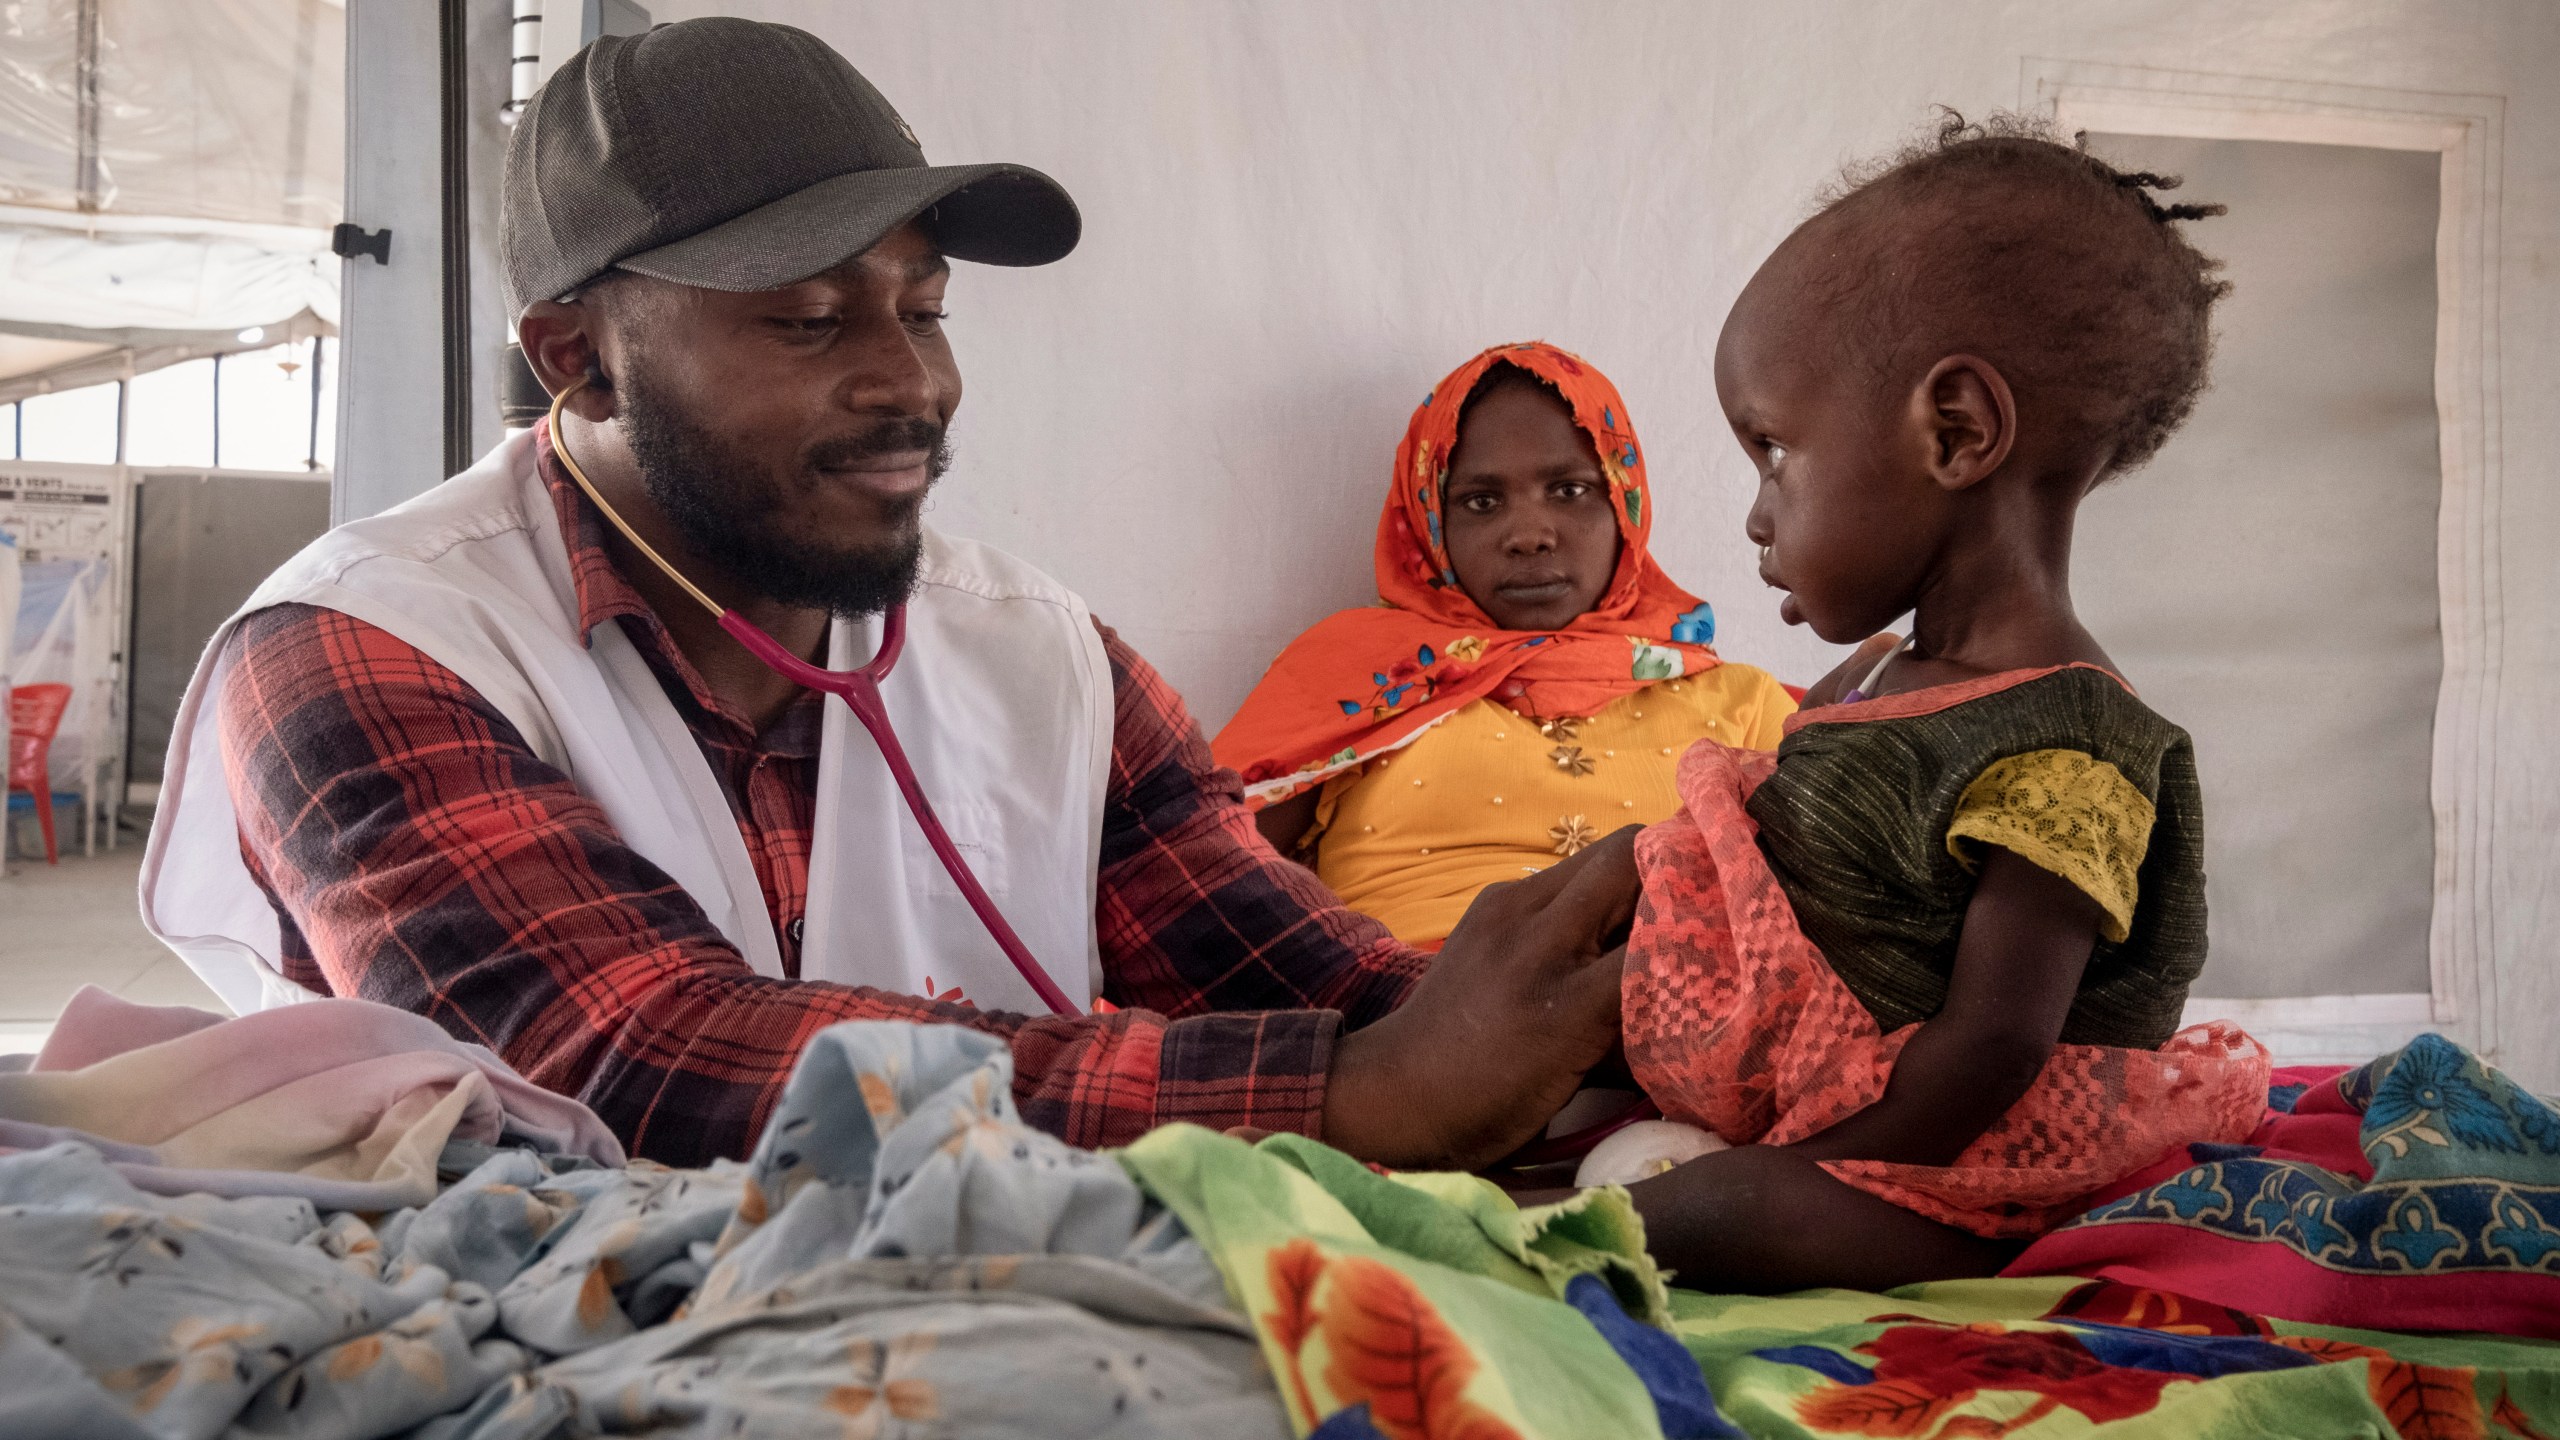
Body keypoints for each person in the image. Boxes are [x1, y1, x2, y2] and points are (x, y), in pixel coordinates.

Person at [139, 18, 1635, 1173]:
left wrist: (1633, 1035)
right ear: (576, 357)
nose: (913, 383)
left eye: (923, 304)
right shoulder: (366, 646)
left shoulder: (1043, 657)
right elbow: (622, 1062)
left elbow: (1316, 974)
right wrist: (1351, 1096)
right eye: (808, 321)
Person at [1607, 115, 2273, 1292]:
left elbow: (1995, 1046)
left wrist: (1821, 1165)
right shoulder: (1870, 675)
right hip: (1822, 1081)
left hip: (1963, 1151)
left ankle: (1553, 1233)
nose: (1759, 516)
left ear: (1954, 432)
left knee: (1720, 1213)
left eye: (1773, 451)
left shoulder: (2069, 744)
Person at [1215, 342, 1794, 948]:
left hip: (1676, 1018)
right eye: (1481, 502)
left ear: (1625, 501)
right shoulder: (1356, 675)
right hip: (1406, 1025)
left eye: (1569, 490)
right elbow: (1188, 883)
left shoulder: (1741, 703)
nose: (1528, 535)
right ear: (1430, 518)